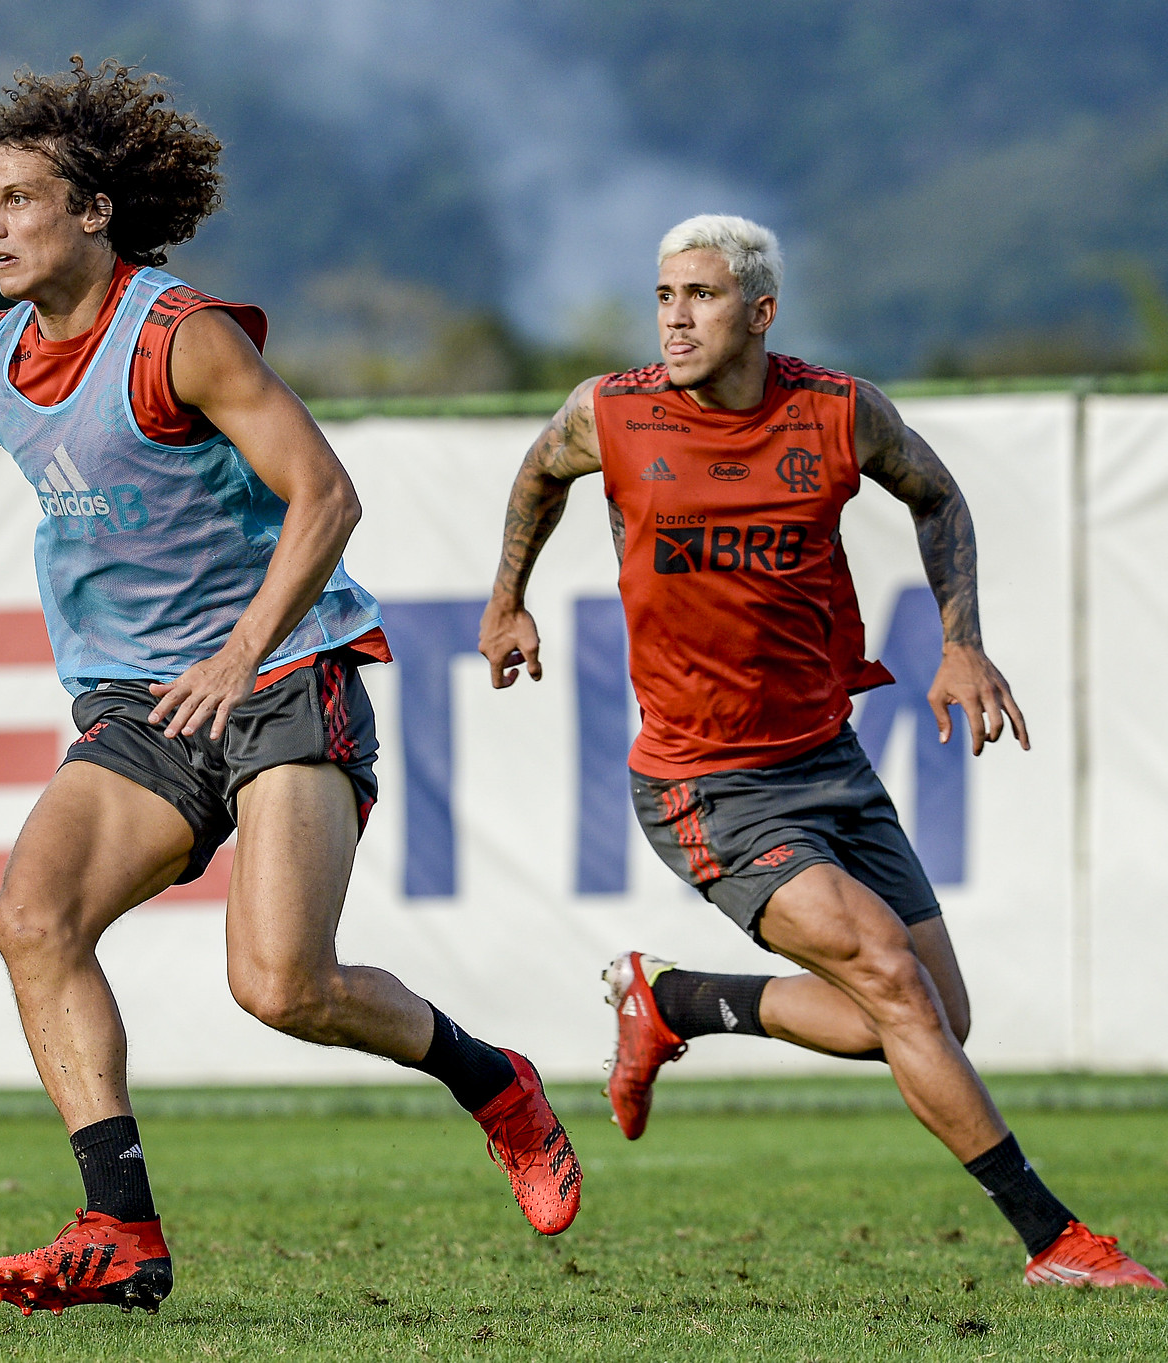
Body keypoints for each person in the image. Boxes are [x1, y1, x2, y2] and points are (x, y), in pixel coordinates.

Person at [0, 57, 582, 1318]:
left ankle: (496, 1084)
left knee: (280, 986)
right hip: (136, 705)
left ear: (93, 211)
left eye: (21, 198)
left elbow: (327, 495)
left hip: (278, 677)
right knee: (32, 922)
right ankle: (121, 1228)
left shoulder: (175, 336)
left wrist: (244, 648)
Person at [475, 213, 1161, 1290]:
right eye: (662, 295)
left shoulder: (836, 412)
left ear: (759, 311)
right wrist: (507, 599)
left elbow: (936, 493)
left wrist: (961, 644)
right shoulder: (610, 411)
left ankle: (677, 1001)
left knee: (934, 1017)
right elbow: (536, 475)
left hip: (826, 761)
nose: (674, 317)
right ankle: (1054, 1239)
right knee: (893, 983)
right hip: (704, 783)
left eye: (698, 296)